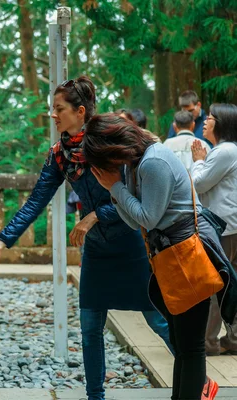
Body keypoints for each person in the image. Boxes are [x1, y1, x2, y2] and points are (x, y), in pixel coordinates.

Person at [0, 76, 172, 400]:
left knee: (158, 319)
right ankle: (94, 396)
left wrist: (96, 215)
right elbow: (35, 201)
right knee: (88, 329)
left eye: (59, 109)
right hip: (96, 253)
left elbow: (132, 197)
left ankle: (194, 375)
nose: (53, 115)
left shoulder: (109, 144)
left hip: (130, 246)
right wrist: (2, 241)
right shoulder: (60, 154)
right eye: (52, 109)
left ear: (80, 111)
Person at [83, 113, 237, 400]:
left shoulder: (153, 162)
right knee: (181, 341)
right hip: (169, 258)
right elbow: (134, 222)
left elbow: (148, 218)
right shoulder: (133, 164)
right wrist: (117, 192)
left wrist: (114, 188)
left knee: (190, 346)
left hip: (187, 256)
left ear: (112, 149)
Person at [191, 103, 237, 356]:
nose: (205, 122)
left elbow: (198, 183)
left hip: (224, 228)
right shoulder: (230, 150)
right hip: (232, 225)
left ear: (221, 123)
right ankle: (233, 339)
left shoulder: (224, 151)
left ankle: (208, 343)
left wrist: (198, 161)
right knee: (232, 283)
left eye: (209, 118)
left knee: (215, 284)